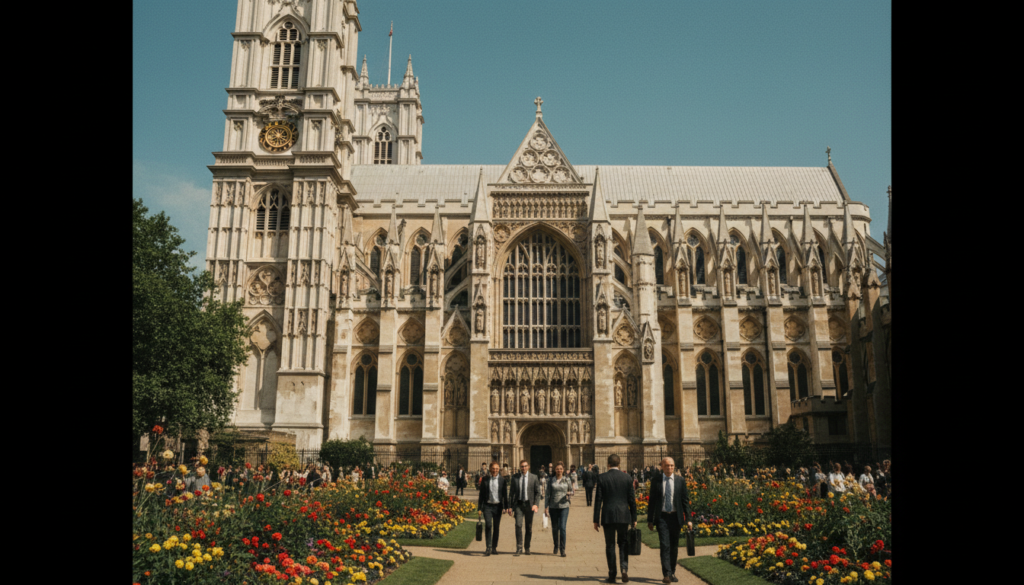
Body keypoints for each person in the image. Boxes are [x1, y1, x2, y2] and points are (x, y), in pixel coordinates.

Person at [593, 454, 638, 584]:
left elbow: (598, 501)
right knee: (623, 543)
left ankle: (612, 574)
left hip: (608, 516)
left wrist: (596, 520)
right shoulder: (627, 478)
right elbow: (632, 500)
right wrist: (634, 517)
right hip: (624, 515)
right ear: (619, 464)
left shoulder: (602, 478)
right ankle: (624, 568)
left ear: (608, 464)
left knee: (610, 545)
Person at [647, 457, 692, 584]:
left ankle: (672, 571)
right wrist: (650, 520)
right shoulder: (656, 481)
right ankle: (666, 574)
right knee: (664, 545)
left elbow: (685, 501)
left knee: (674, 546)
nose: (669, 468)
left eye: (672, 466)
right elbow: (652, 502)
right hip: (662, 517)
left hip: (675, 517)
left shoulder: (680, 481)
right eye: (667, 466)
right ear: (662, 466)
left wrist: (688, 519)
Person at [509, 459, 542, 555]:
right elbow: (511, 493)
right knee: (518, 525)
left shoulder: (534, 477)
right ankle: (519, 547)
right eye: (522, 466)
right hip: (519, 504)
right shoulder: (515, 477)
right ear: (520, 467)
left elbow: (538, 493)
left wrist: (536, 504)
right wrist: (510, 506)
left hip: (529, 505)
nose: (523, 468)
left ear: (528, 467)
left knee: (529, 527)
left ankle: (527, 547)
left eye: (525, 466)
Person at [477, 461, 509, 556]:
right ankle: (488, 547)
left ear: (499, 469)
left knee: (496, 527)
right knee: (488, 525)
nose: (495, 470)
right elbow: (481, 495)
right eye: (493, 468)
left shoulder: (502, 480)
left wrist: (506, 507)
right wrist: (479, 507)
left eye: (497, 469)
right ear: (490, 469)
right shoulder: (485, 479)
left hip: (497, 506)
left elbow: (505, 495)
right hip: (487, 506)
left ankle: (494, 547)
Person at [545, 461, 574, 557]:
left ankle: (562, 549)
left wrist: (569, 494)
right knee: (554, 528)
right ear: (555, 470)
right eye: (557, 469)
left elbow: (572, 491)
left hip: (564, 506)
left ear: (563, 470)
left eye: (560, 469)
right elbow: (547, 494)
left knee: (562, 528)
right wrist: (546, 507)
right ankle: (555, 545)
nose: (559, 470)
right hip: (553, 507)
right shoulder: (551, 480)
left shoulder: (567, 480)